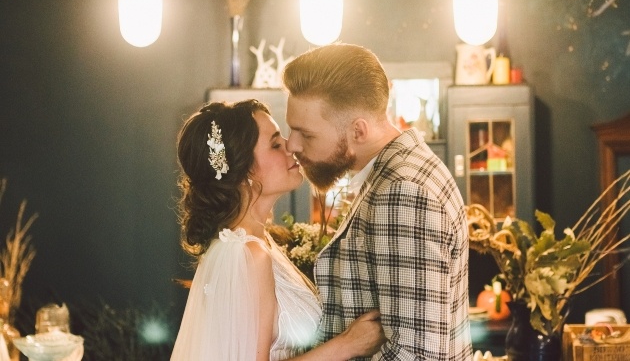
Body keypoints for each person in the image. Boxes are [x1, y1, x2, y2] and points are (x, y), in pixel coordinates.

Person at [282, 44, 473, 360]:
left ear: (358, 130)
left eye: (307, 134)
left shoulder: (402, 191)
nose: (291, 144)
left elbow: (415, 355)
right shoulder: (397, 173)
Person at [171, 99, 385, 361]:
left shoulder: (258, 244)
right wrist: (347, 345)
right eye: (274, 144)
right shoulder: (249, 255)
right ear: (242, 171)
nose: (290, 146)